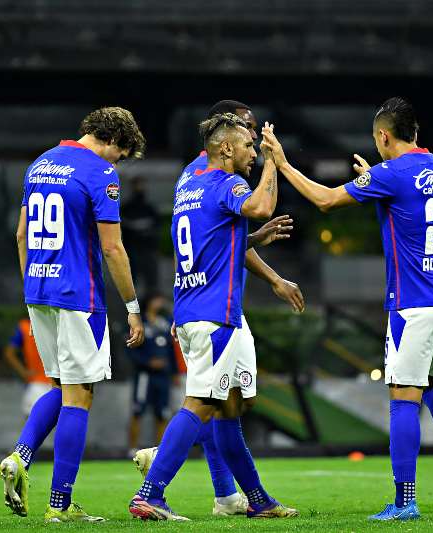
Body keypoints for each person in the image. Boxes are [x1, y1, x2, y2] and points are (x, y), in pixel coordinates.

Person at [267, 97, 433, 521]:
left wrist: (284, 164)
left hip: (416, 305)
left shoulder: (390, 174)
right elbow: (412, 205)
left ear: (383, 137)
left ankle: (405, 501)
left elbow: (327, 200)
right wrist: (376, 181)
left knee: (404, 398)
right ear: (415, 133)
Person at [131, 100, 305, 518]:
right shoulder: (225, 183)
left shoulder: (191, 180)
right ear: (226, 146)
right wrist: (275, 163)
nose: (254, 149)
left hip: (195, 306)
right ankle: (152, 488)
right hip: (215, 312)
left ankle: (254, 500)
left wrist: (257, 245)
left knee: (229, 407)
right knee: (202, 405)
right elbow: (261, 206)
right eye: (249, 141)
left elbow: (210, 243)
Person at [0, 106, 146, 523]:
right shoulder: (100, 173)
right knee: (80, 395)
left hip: (38, 290)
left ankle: (20, 456)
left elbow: (21, 234)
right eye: (120, 154)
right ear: (113, 140)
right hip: (79, 294)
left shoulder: (39, 164)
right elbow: (113, 249)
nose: (117, 162)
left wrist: (32, 286)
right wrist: (133, 308)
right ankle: (60, 506)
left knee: (61, 387)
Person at [126, 293, 178, 454]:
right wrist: (147, 363)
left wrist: (174, 371)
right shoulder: (140, 323)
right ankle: (132, 448)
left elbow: (171, 350)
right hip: (144, 375)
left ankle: (160, 450)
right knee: (138, 410)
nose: (160, 302)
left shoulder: (165, 323)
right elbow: (130, 349)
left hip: (163, 376)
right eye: (156, 299)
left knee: (162, 412)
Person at [3, 317, 51, 417]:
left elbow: (9, 353)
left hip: (36, 385)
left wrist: (23, 372)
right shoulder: (59, 322)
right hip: (61, 385)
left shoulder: (25, 327)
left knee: (31, 427)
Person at [121, 176, 160, 291]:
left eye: (142, 184)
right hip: (132, 248)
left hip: (148, 248)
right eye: (138, 185)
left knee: (151, 281)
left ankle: (149, 303)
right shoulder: (127, 208)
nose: (140, 188)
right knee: (133, 281)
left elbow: (156, 226)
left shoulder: (149, 208)